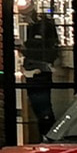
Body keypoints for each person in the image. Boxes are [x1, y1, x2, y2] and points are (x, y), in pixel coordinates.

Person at [21, 10, 61, 138]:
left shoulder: (35, 29)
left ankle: (47, 133)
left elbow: (33, 48)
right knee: (43, 107)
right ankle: (48, 133)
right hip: (42, 72)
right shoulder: (44, 30)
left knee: (41, 106)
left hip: (38, 72)